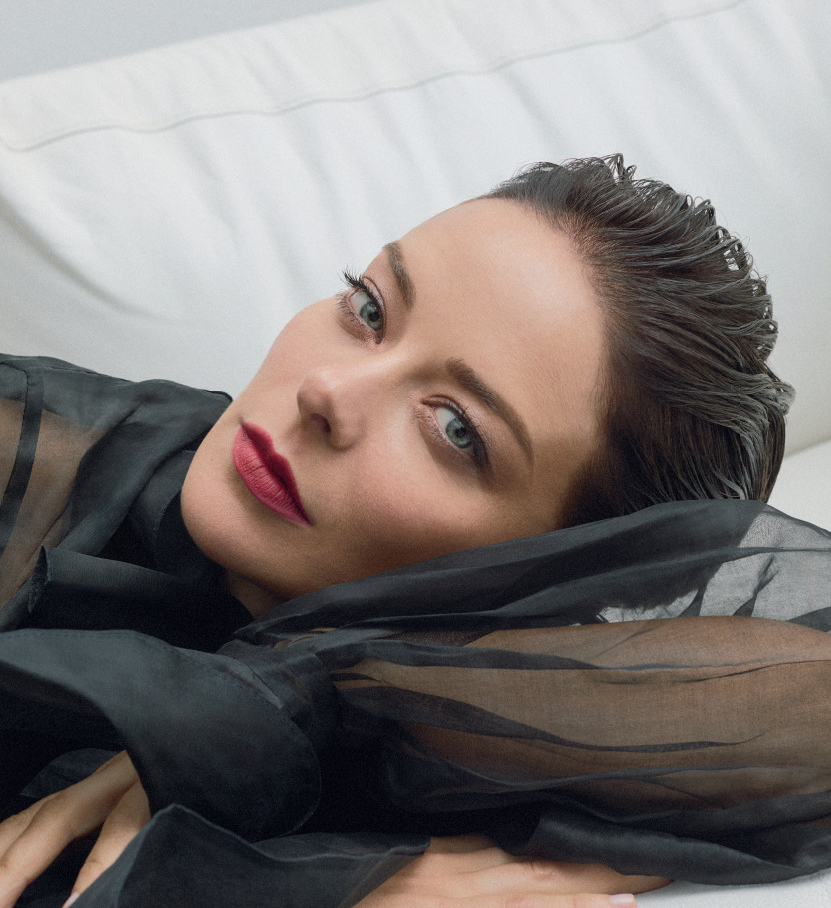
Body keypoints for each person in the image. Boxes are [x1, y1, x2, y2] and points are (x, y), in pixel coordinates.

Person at [0, 155, 827, 908]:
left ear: (561, 572)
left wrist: (281, 732)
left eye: (456, 428)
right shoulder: (44, 455)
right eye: (368, 308)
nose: (326, 389)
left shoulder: (454, 748)